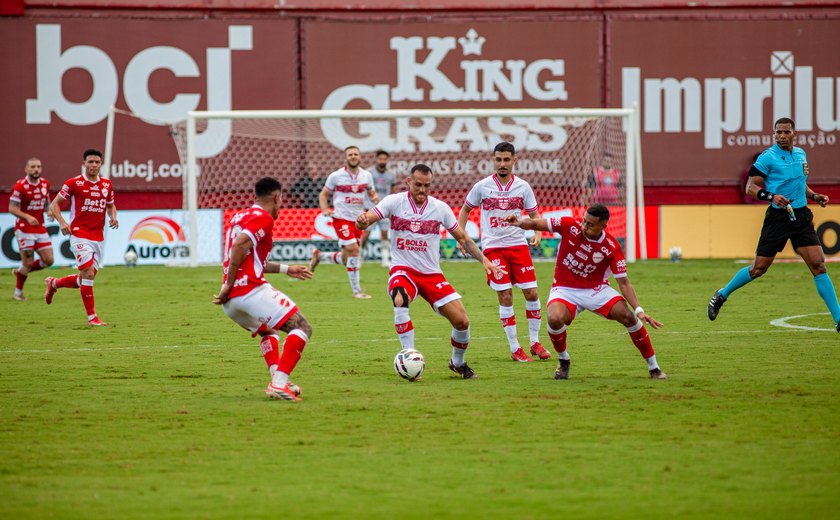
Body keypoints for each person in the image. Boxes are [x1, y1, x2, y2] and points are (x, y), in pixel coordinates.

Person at [356, 164, 505, 380]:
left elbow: (462, 238)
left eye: (427, 186)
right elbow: (366, 220)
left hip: (432, 274)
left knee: (462, 322)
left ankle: (457, 362)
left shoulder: (440, 208)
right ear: (408, 181)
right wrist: (361, 221)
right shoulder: (393, 202)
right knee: (400, 298)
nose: (422, 190)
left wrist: (485, 261)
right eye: (418, 185)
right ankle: (409, 357)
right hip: (403, 269)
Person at [505, 205, 668, 380]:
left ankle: (654, 367)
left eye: (590, 224)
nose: (584, 226)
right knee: (554, 318)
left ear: (603, 226)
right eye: (584, 221)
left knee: (628, 316)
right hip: (565, 289)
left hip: (596, 290)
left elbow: (624, 283)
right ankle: (563, 360)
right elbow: (536, 224)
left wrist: (639, 310)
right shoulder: (569, 225)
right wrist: (520, 222)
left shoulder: (611, 247)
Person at [708, 117, 840, 332]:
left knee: (818, 265)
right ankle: (722, 295)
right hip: (778, 218)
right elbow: (750, 187)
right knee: (759, 268)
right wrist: (771, 196)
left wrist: (814, 196)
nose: (781, 136)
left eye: (786, 132)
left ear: (794, 134)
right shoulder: (767, 158)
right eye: (778, 132)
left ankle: (839, 319)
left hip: (801, 216)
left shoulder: (800, 154)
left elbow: (799, 181)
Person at [213, 177, 314, 401]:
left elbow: (249, 257)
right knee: (302, 328)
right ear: (277, 197)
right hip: (249, 291)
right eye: (281, 200)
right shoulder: (264, 218)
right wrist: (229, 283)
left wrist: (287, 269)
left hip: (231, 302)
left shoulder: (240, 216)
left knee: (269, 331)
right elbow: (240, 245)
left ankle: (278, 378)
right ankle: (278, 384)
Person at [457, 141, 550, 362]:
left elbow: (535, 216)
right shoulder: (482, 186)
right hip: (493, 248)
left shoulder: (523, 187)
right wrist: (461, 238)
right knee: (505, 295)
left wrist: (537, 233)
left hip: (518, 245)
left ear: (514, 161)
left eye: (506, 159)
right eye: (498, 159)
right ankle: (515, 347)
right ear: (493, 160)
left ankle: (535, 342)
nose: (502, 164)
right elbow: (465, 210)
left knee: (532, 293)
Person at [44, 149, 118, 326]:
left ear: (101, 164)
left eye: (97, 162)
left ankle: (54, 284)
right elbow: (55, 204)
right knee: (88, 274)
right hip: (79, 233)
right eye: (90, 162)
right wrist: (62, 222)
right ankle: (92, 318)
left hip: (98, 236)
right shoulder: (73, 183)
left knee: (85, 278)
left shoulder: (107, 184)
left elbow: (111, 205)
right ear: (84, 163)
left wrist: (113, 217)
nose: (93, 165)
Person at [309, 145, 379, 299]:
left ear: (359, 157)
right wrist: (325, 209)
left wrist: (374, 197)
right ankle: (357, 291)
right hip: (341, 218)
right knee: (354, 250)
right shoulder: (336, 176)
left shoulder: (366, 175)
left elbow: (371, 192)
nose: (353, 156)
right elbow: (323, 194)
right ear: (346, 158)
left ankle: (320, 256)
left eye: (355, 154)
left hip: (358, 220)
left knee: (348, 259)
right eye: (350, 154)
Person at [9, 157, 54, 301]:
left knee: (49, 260)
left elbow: (46, 202)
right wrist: (27, 217)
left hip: (40, 227)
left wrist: (50, 211)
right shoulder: (20, 186)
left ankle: (20, 272)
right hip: (24, 228)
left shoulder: (45, 184)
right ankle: (18, 293)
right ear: (26, 169)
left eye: (38, 166)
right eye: (33, 167)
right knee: (28, 262)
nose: (36, 169)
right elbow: (11, 208)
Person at [360, 150, 397, 267]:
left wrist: (393, 205)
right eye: (380, 159)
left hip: (385, 208)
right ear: (376, 159)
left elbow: (393, 190)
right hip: (371, 207)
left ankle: (385, 259)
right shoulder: (369, 173)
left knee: (385, 233)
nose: (382, 161)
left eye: (384, 159)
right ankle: (360, 256)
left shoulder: (391, 174)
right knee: (366, 234)